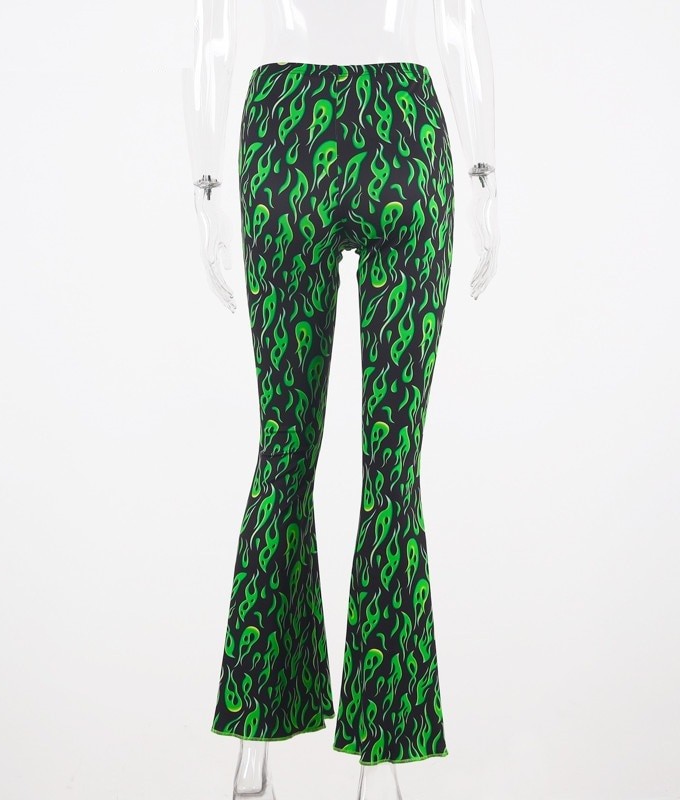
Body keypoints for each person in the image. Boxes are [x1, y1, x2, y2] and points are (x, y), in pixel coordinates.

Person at [183, 1, 500, 797]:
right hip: (403, 133)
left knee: (286, 448)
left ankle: (253, 747)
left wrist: (206, 184)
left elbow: (212, 27)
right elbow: (460, 20)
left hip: (287, 133)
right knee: (389, 465)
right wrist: (485, 173)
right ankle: (379, 761)